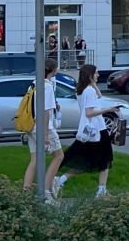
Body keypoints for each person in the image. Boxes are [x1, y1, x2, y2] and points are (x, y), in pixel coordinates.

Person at [53, 64, 120, 199]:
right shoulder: (89, 91)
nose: (98, 75)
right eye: (96, 73)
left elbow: (99, 95)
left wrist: (93, 83)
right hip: (97, 130)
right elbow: (89, 112)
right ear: (90, 75)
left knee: (87, 160)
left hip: (90, 131)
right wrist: (108, 110)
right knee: (105, 159)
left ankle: (61, 181)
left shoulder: (82, 90)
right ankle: (101, 191)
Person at [23, 58, 64, 200]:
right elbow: (46, 112)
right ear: (54, 70)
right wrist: (46, 134)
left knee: (34, 159)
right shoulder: (47, 86)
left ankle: (26, 192)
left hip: (31, 126)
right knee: (58, 156)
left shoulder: (34, 84)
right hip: (43, 127)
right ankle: (46, 191)